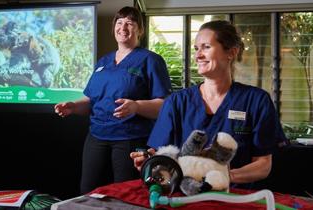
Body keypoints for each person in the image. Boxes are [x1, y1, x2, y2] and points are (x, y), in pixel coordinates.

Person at [130, 20, 288, 189]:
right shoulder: (177, 102)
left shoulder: (256, 101)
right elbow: (162, 156)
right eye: (196, 48)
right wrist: (151, 161)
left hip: (236, 199)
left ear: (231, 53)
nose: (198, 55)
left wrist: (222, 176)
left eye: (206, 47)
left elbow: (263, 165)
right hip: (186, 197)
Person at [54, 6, 172, 194]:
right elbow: (90, 100)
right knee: (88, 192)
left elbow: (164, 106)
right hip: (96, 137)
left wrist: (136, 106)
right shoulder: (103, 62)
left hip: (129, 139)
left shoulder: (151, 60)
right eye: (119, 22)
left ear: (140, 30)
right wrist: (73, 106)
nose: (123, 27)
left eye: (130, 23)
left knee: (125, 194)